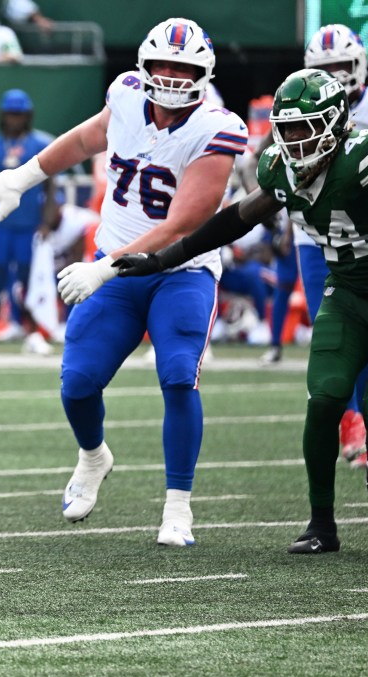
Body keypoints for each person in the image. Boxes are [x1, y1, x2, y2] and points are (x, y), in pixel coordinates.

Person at [0, 17, 247, 546]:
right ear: (143, 66)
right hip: (120, 270)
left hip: (181, 272)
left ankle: (178, 508)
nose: (170, 77)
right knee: (78, 383)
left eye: (183, 68)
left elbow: (183, 225)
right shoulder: (125, 93)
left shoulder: (218, 127)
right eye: (162, 65)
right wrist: (23, 175)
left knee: (176, 375)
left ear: (204, 73)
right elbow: (84, 139)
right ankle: (93, 456)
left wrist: (105, 266)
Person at [112, 69, 368, 554]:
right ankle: (322, 525)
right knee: (326, 398)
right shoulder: (281, 169)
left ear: (336, 123)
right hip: (349, 293)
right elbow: (235, 220)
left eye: (305, 127)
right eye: (287, 129)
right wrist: (163, 259)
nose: (295, 140)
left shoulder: (360, 160)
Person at [298, 23, 368, 467]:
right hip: (314, 237)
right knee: (331, 336)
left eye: (343, 66)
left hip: (363, 240)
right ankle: (349, 420)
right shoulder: (298, 100)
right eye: (326, 69)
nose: (337, 76)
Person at [0, 88, 57, 356]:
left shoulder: (41, 144)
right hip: (0, 224)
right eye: (10, 114)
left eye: (19, 114)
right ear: (3, 115)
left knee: (28, 278)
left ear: (27, 115)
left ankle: (32, 333)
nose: (14, 119)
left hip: (29, 224)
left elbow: (51, 187)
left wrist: (46, 222)